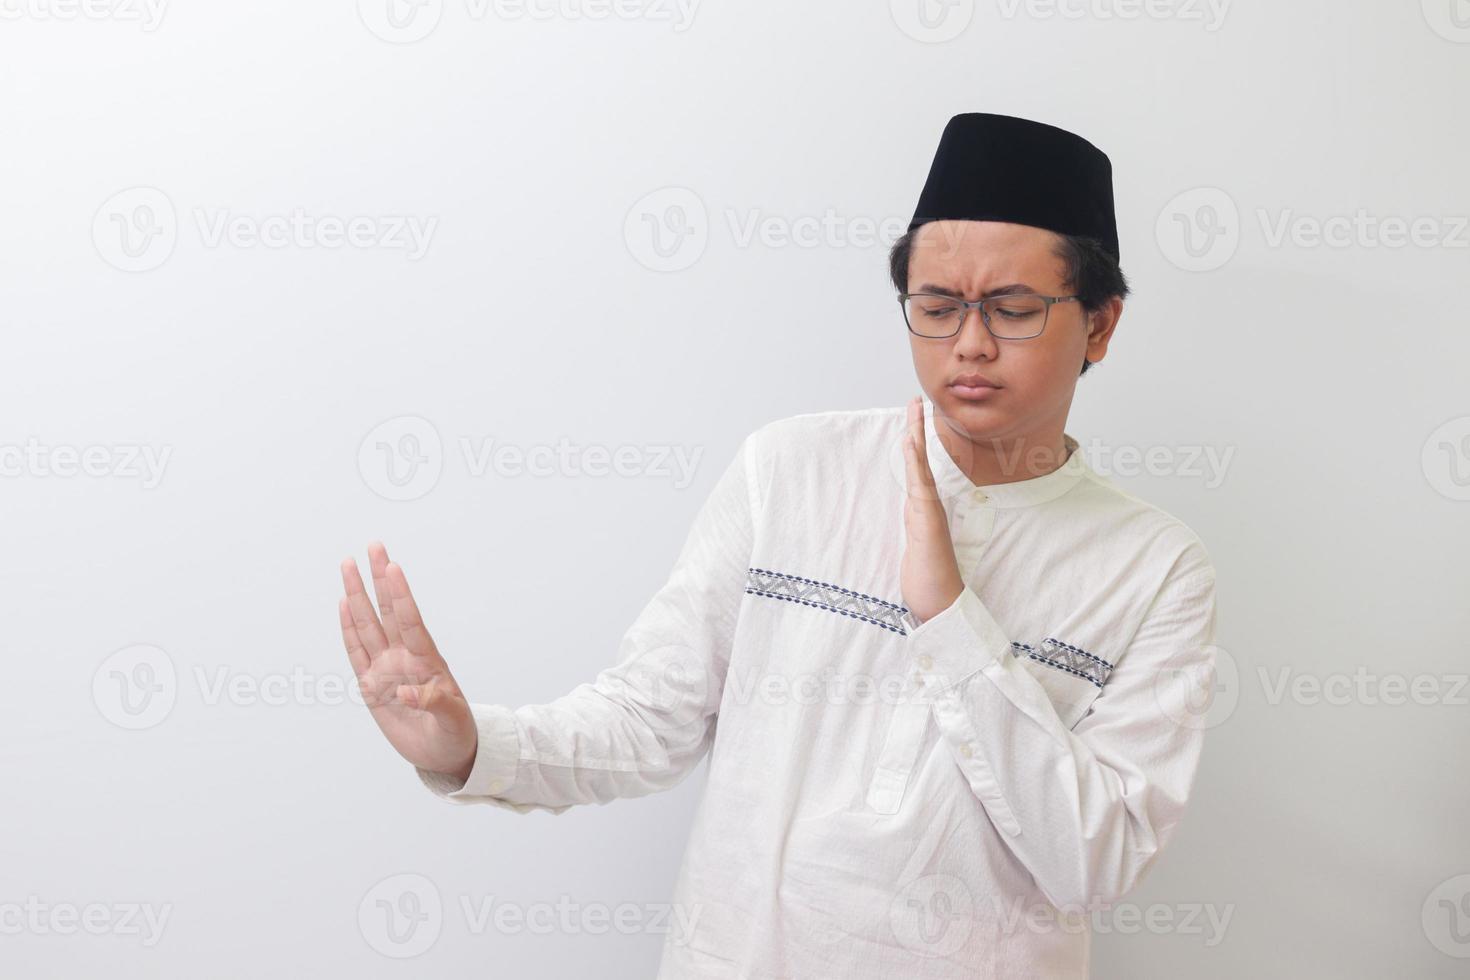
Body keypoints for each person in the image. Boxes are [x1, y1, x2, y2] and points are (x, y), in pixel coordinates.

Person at [338, 112, 1220, 978]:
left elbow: (1094, 861)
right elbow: (650, 720)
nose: (970, 344)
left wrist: (950, 618)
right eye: (938, 306)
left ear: (1099, 324)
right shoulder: (791, 470)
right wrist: (468, 748)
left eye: (1014, 309)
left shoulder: (1155, 569)